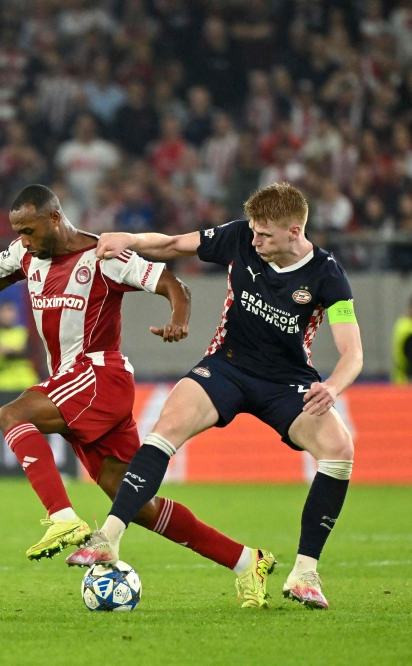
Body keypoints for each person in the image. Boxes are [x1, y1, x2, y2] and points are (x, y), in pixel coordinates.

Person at [0, 184, 270, 608]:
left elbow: (173, 284)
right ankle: (247, 561)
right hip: (73, 382)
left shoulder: (103, 256)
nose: (23, 241)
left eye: (30, 231)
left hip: (99, 374)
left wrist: (179, 320)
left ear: (55, 218)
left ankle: (61, 518)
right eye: (18, 232)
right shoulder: (27, 255)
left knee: (12, 414)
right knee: (136, 502)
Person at [67, 183, 363, 612]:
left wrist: (331, 387)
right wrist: (128, 240)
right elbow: (172, 244)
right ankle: (108, 538)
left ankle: (304, 573)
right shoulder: (241, 236)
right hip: (227, 366)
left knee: (340, 449)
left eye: (265, 235)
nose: (255, 240)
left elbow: (353, 352)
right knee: (167, 425)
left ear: (294, 231)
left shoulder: (327, 274)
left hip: (286, 382)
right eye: (254, 232)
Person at [0, 301, 39, 391]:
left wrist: (6, 351)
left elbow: (28, 352)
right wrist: (16, 350)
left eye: (10, 311)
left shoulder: (23, 333)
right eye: (4, 311)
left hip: (25, 382)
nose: (7, 315)